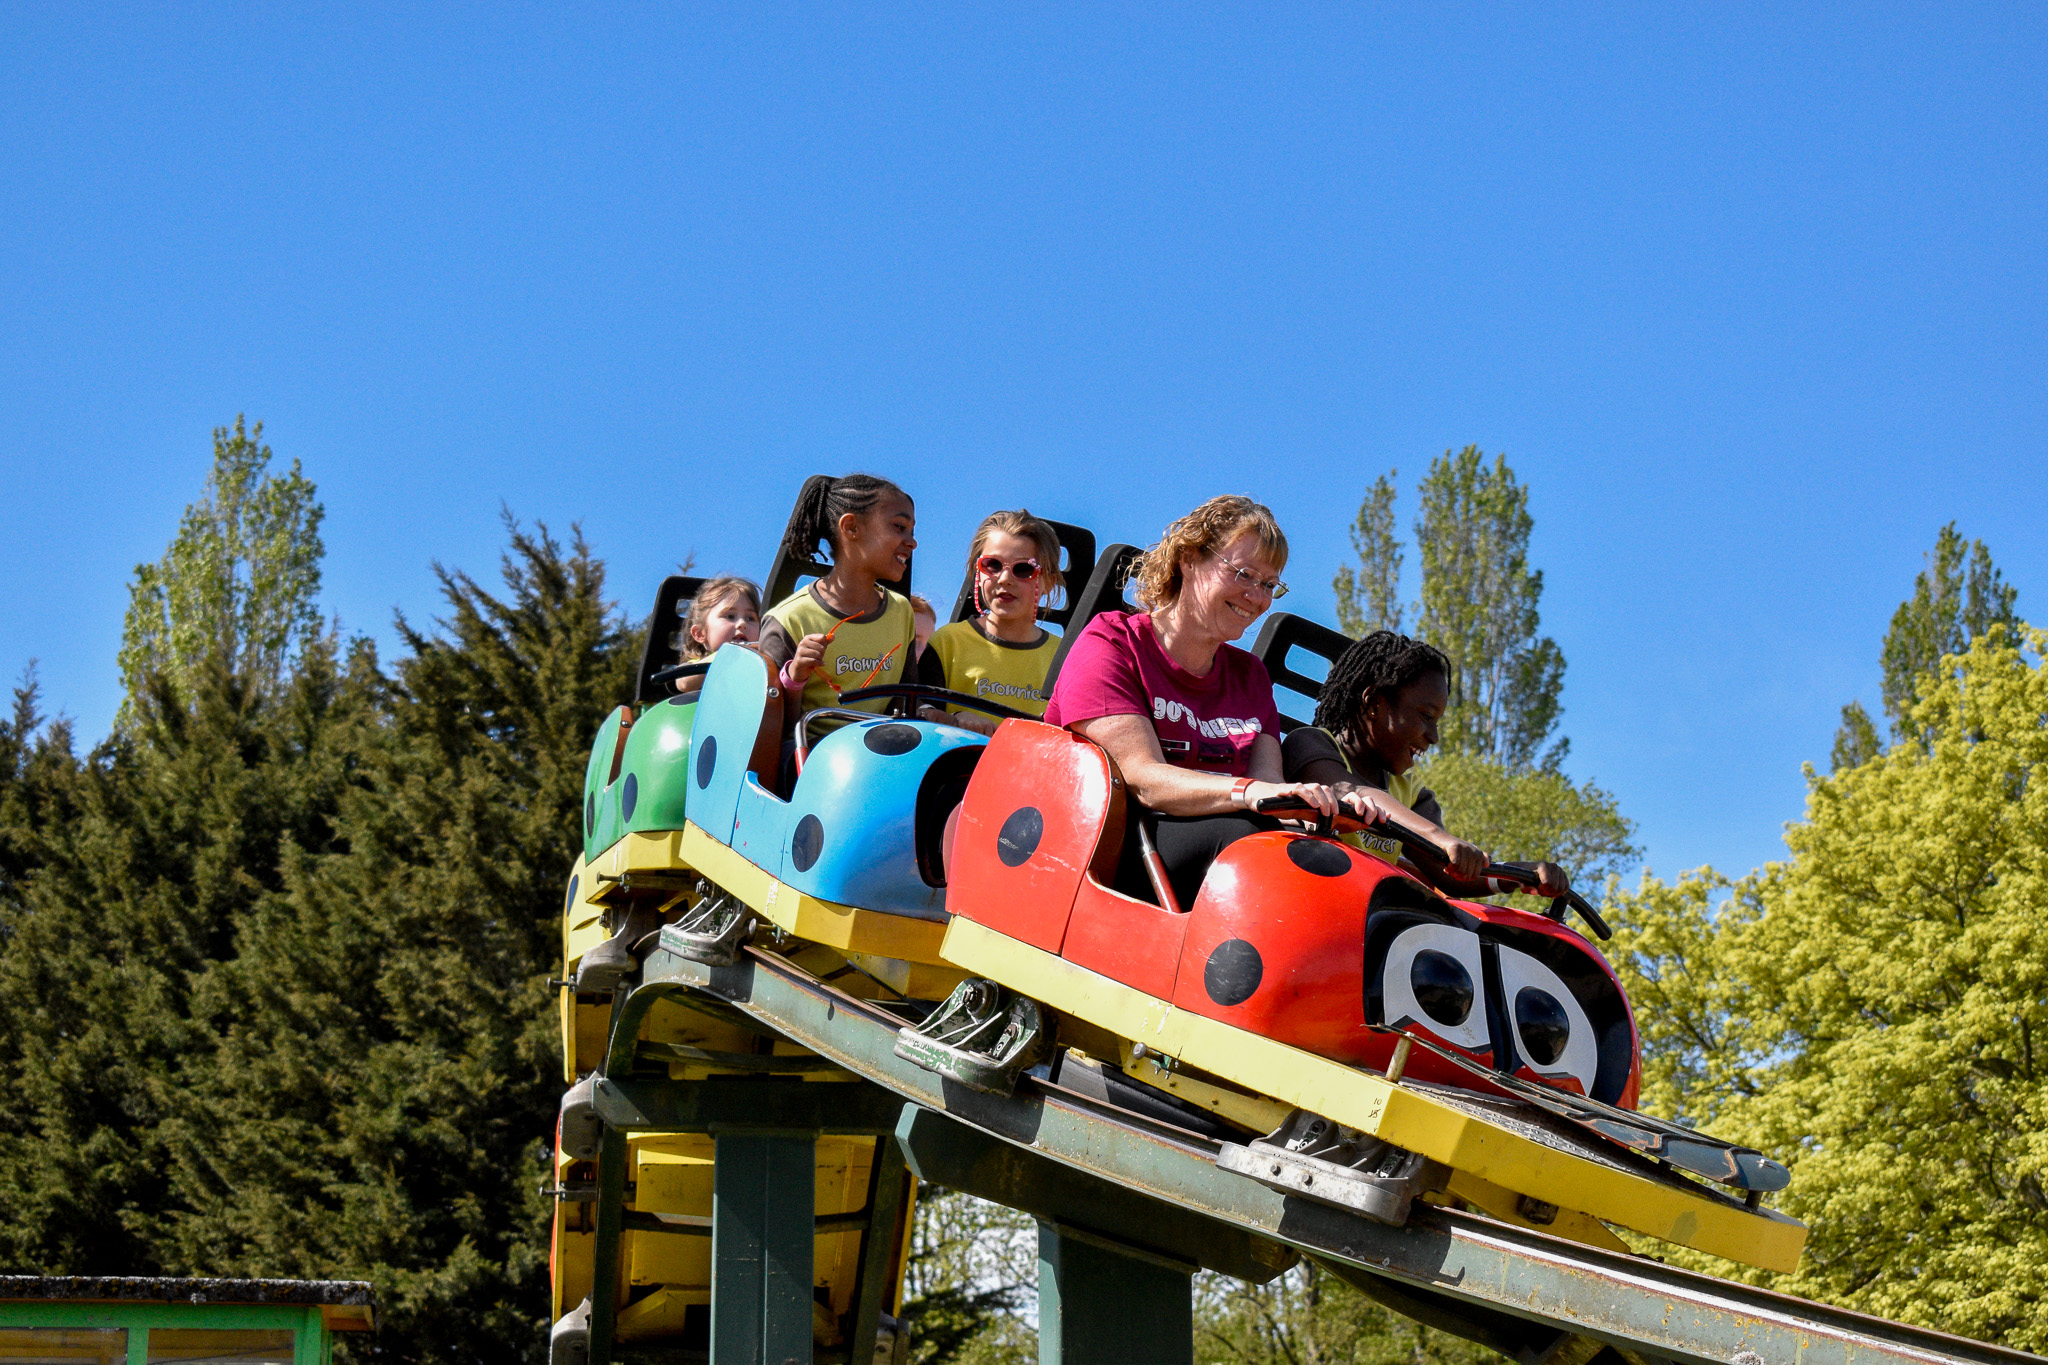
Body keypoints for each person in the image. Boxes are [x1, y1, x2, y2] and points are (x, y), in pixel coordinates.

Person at [1043, 494, 1390, 909]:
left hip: (1210, 853)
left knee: (1342, 870)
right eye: (1244, 574)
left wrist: (1323, 809)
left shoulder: (1250, 677)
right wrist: (1247, 792)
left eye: (1268, 585)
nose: (1257, 598)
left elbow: (1271, 791)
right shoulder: (1112, 642)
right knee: (1245, 844)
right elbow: (1142, 778)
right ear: (1189, 559)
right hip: (1111, 853)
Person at [1283, 629, 1566, 897]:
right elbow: (1352, 791)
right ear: (1374, 703)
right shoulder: (1309, 743)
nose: (1434, 737)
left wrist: (1518, 874)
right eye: (1425, 717)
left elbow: (1446, 872)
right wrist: (1438, 837)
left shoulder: (1410, 793)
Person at [758, 474, 919, 720]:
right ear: (851, 527)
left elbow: (906, 705)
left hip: (884, 752)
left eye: (912, 531)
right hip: (810, 754)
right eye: (899, 527)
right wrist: (796, 675)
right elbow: (771, 728)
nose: (912, 542)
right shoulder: (789, 619)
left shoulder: (901, 611)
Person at [916, 510, 1065, 735]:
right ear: (977, 571)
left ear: (1049, 583)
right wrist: (955, 717)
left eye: (1023, 569)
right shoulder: (947, 644)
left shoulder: (1064, 658)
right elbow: (918, 713)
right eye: (993, 565)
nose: (1005, 578)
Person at [669, 576, 762, 697]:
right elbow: (684, 682)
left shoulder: (762, 663)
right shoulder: (695, 665)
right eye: (730, 616)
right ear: (700, 634)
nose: (742, 624)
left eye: (751, 618)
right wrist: (726, 654)